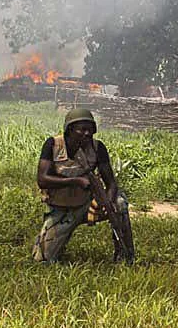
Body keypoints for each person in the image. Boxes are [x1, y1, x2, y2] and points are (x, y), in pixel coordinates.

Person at [32, 108, 130, 263]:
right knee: (42, 260)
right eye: (82, 130)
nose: (87, 134)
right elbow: (42, 180)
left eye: (90, 130)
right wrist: (75, 181)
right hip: (62, 209)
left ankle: (124, 257)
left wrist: (107, 203)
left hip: (88, 206)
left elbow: (111, 183)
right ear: (70, 129)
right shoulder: (53, 145)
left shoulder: (98, 148)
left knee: (120, 203)